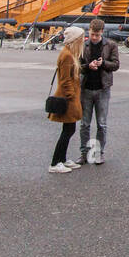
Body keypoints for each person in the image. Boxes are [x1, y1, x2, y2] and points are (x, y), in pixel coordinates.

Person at [78, 18, 119, 165]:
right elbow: (78, 65)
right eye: (92, 34)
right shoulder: (83, 46)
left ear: (102, 32)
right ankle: (84, 153)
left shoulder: (111, 45)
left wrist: (103, 64)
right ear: (89, 30)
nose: (94, 37)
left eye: (97, 34)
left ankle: (99, 153)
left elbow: (116, 65)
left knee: (101, 123)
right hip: (86, 88)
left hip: (103, 89)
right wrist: (88, 66)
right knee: (84, 123)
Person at [48, 26, 84, 174]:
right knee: (68, 131)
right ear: (75, 40)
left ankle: (62, 159)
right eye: (81, 38)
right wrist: (71, 96)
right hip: (67, 98)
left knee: (68, 130)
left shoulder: (70, 54)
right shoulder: (67, 56)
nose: (83, 40)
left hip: (69, 96)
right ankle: (56, 162)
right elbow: (65, 80)